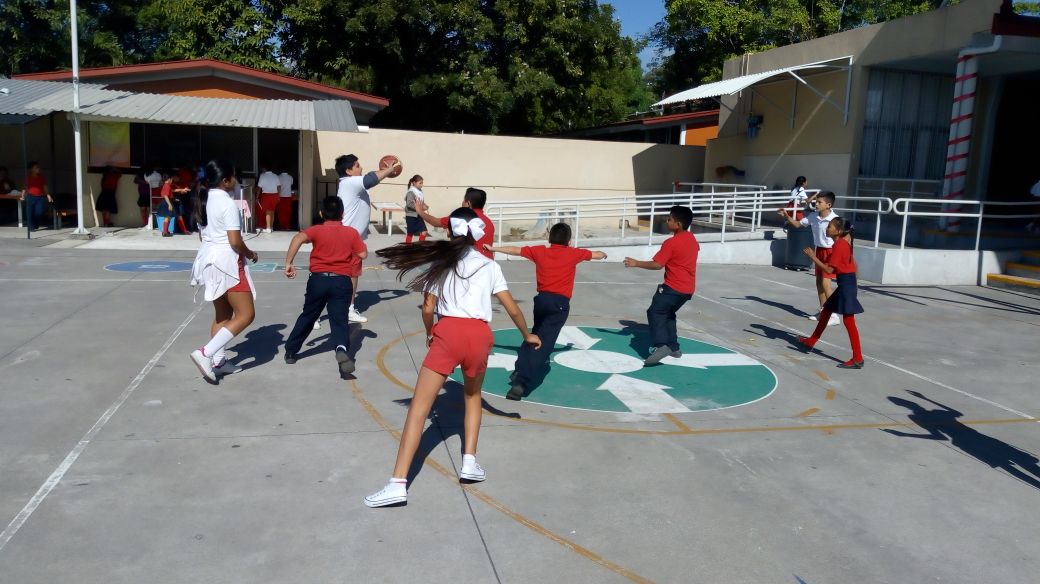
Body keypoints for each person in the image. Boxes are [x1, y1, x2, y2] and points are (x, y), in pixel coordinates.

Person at [364, 207, 541, 508]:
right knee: (473, 396)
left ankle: (397, 484)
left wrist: (430, 332)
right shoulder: (490, 266)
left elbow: (428, 308)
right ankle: (469, 463)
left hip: (449, 333)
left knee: (419, 410)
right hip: (479, 335)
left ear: (450, 231)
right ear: (477, 234)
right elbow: (512, 308)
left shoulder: (440, 264)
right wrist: (527, 335)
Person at [484, 223, 607, 400]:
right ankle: (521, 382)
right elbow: (596, 254)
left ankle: (520, 367)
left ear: (549, 238)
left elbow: (515, 250)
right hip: (559, 305)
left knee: (534, 335)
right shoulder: (574, 253)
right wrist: (603, 254)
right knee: (544, 345)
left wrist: (493, 248)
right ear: (569, 241)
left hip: (541, 301)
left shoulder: (540, 251)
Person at [189, 160, 259, 383]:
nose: (236, 181)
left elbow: (202, 235)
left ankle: (218, 361)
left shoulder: (204, 198)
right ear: (226, 181)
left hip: (208, 261)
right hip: (227, 263)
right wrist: (250, 253)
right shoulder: (227, 203)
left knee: (223, 315)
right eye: (234, 177)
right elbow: (235, 241)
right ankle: (205, 353)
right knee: (246, 314)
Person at [282, 196, 368, 378]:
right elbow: (363, 254)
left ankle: (291, 351)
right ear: (342, 214)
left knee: (308, 315)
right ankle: (341, 348)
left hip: (318, 280)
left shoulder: (317, 230)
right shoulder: (351, 233)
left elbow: (298, 238)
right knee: (339, 319)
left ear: (321, 213)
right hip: (341, 281)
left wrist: (289, 262)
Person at [623, 205, 700, 366]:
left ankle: (661, 345)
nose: (667, 221)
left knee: (655, 311)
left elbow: (658, 264)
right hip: (687, 290)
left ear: (678, 224)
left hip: (673, 287)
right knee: (669, 314)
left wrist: (636, 263)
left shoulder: (671, 243)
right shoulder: (692, 239)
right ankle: (674, 348)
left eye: (669, 219)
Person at [335, 154, 401, 324]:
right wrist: (390, 169)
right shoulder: (350, 182)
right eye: (357, 165)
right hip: (347, 239)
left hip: (351, 238)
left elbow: (372, 176)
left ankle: (347, 309)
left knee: (349, 275)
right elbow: (371, 178)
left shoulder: (350, 183)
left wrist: (385, 170)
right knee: (339, 277)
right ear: (348, 171)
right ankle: (316, 312)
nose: (361, 167)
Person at [796, 218, 864, 369]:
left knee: (849, 321)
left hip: (846, 285)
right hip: (847, 283)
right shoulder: (843, 242)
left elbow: (829, 270)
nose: (827, 228)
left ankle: (858, 358)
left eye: (830, 227)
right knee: (827, 310)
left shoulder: (839, 244)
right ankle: (811, 341)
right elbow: (854, 265)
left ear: (838, 231)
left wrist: (813, 257)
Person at [779, 191, 841, 326]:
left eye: (819, 202)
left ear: (828, 205)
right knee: (819, 282)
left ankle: (834, 315)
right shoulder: (813, 216)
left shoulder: (835, 219)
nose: (816, 204)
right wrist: (787, 216)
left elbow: (842, 238)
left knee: (826, 283)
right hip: (819, 251)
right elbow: (797, 225)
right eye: (816, 202)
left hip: (830, 252)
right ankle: (824, 311)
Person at [416, 187, 495, 259]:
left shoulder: (459, 219)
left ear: (468, 203)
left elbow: (435, 222)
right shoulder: (489, 222)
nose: (462, 202)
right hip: (488, 263)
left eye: (464, 200)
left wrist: (420, 212)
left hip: (467, 262)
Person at [22, 162, 53, 231]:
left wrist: (48, 195)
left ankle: (36, 223)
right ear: (31, 169)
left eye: (38, 167)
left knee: (39, 212)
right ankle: (31, 227)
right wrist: (23, 195)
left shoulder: (41, 178)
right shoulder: (28, 177)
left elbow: (45, 187)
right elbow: (25, 187)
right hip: (30, 197)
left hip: (40, 197)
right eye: (36, 167)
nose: (38, 169)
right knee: (30, 213)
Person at [255, 164, 280, 234]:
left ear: (265, 169)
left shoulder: (262, 176)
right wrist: (278, 195)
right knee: (272, 211)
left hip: (266, 195)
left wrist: (257, 197)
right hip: (275, 195)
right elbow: (279, 186)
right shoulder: (275, 176)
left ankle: (268, 228)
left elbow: (259, 187)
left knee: (268, 211)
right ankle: (271, 227)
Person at [403, 174, 428, 244]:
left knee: (424, 232)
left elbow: (420, 202)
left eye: (422, 183)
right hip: (411, 216)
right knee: (410, 234)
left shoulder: (420, 191)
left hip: (419, 215)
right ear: (414, 183)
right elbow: (409, 204)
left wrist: (425, 206)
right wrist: (420, 208)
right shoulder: (411, 192)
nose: (422, 185)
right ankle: (407, 247)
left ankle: (419, 247)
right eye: (420, 183)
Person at [276, 166, 295, 231]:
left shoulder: (278, 177)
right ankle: (287, 226)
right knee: (288, 212)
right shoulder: (290, 177)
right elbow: (291, 184)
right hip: (288, 196)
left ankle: (281, 226)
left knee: (280, 212)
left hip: (280, 196)